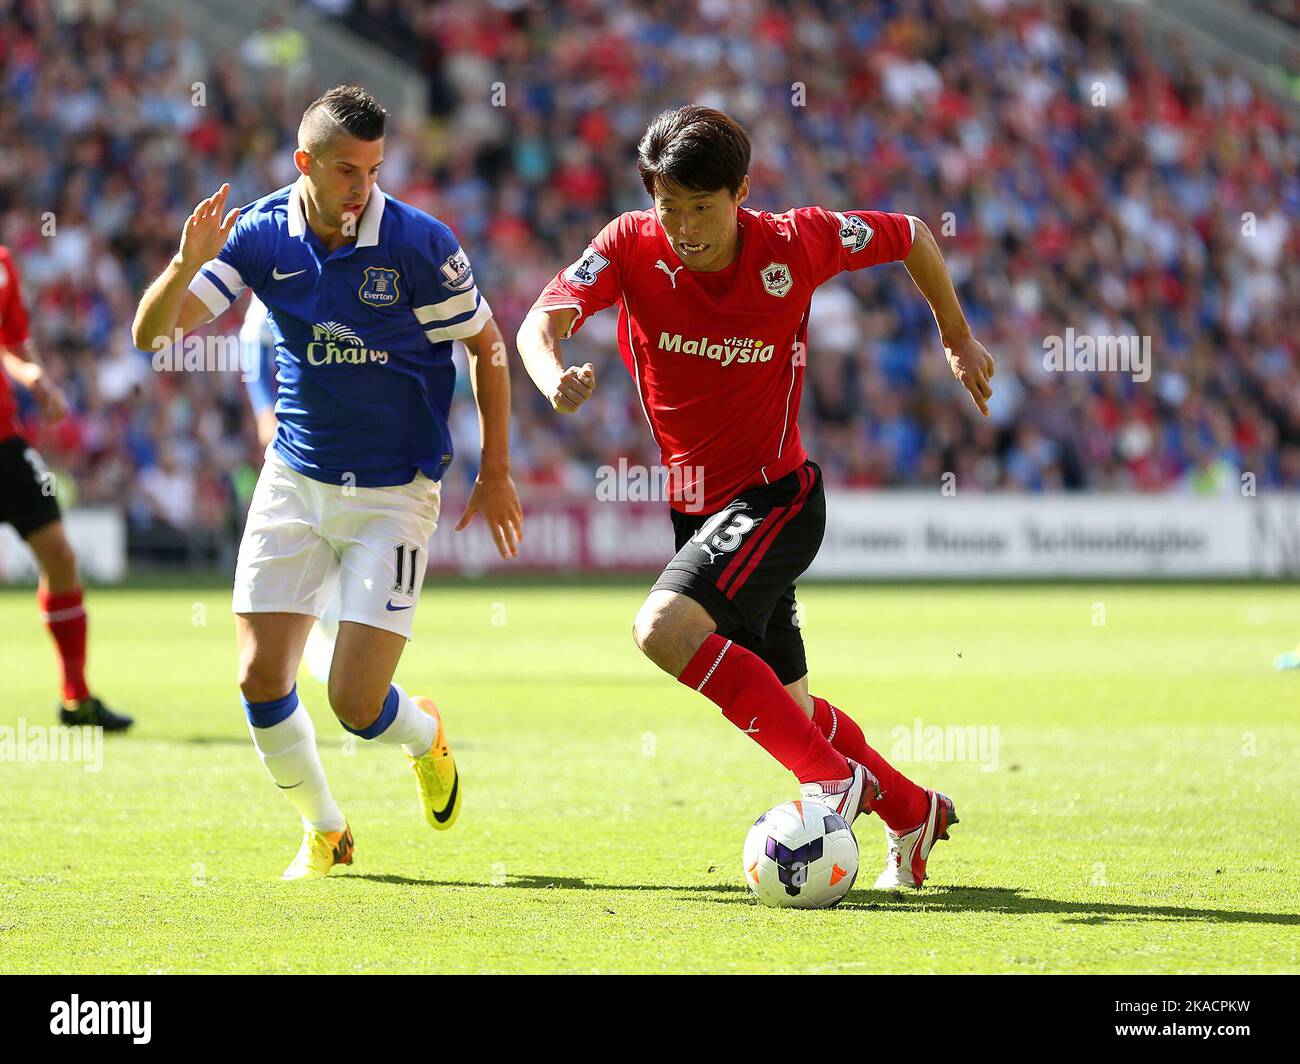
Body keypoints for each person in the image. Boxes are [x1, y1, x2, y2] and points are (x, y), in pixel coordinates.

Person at [517, 106, 995, 889]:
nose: (684, 226)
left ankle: (830, 785)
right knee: (794, 712)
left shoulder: (793, 243)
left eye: (703, 207)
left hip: (776, 501)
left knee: (661, 630)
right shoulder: (629, 244)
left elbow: (910, 231)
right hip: (699, 513)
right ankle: (912, 810)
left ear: (741, 193)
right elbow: (541, 323)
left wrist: (955, 333)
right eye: (668, 205)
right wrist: (552, 377)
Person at [132, 85, 522, 880]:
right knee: (257, 675)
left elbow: (488, 347)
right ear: (303, 163)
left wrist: (499, 469)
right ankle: (326, 830)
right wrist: (185, 262)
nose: (362, 188)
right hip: (295, 479)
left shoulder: (419, 243)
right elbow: (154, 335)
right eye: (346, 171)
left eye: (374, 170)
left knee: (353, 702)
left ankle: (423, 734)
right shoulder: (261, 232)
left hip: (394, 493)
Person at [0, 245, 133, 731]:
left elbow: (12, 341)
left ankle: (76, 698)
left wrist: (37, 380)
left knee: (60, 555)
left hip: (5, 442)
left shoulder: (4, 263)